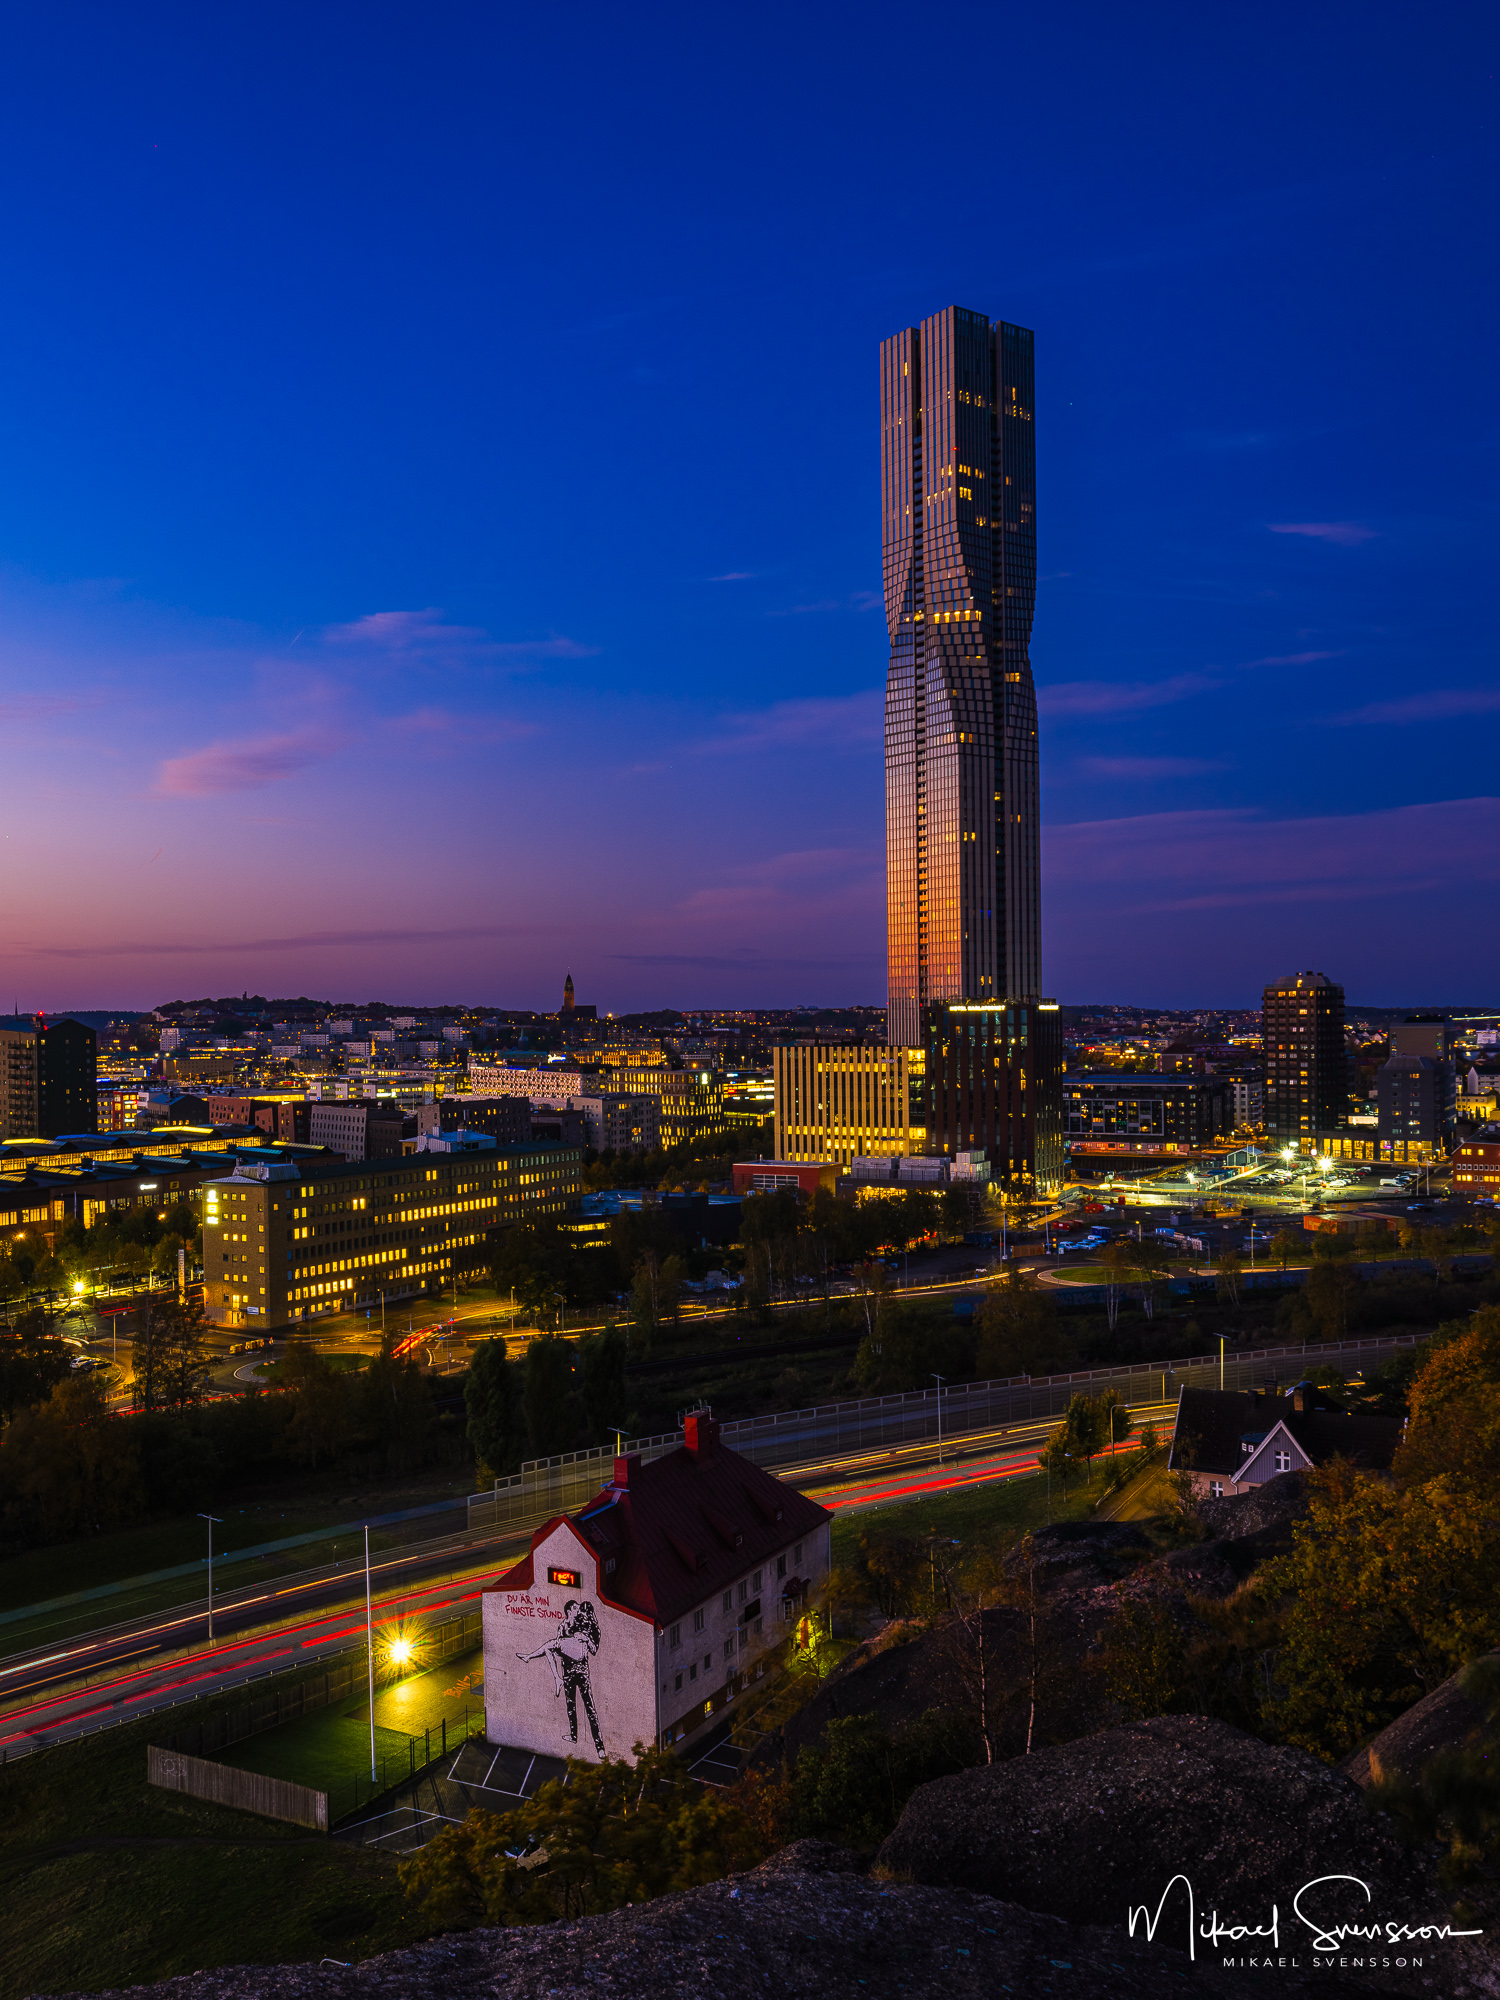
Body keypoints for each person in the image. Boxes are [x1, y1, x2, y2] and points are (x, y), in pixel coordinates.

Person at [516, 1598, 604, 1755]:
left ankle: (600, 1747)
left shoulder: (584, 1625)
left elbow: (593, 1648)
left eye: (582, 1610)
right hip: (568, 1670)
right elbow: (562, 1648)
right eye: (577, 1609)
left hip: (582, 1670)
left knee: (589, 1707)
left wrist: (585, 1638)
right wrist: (564, 1647)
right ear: (570, 1610)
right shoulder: (564, 1626)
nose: (580, 1612)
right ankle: (574, 1735)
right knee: (571, 1706)